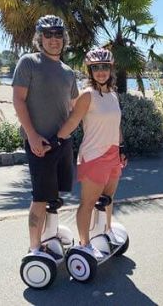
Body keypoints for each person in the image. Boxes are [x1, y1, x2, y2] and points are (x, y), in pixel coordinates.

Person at [12, 15, 78, 255]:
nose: (53, 39)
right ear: (40, 38)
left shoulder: (69, 72)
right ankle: (34, 247)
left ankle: (50, 234)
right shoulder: (29, 62)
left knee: (55, 194)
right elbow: (18, 99)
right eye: (48, 34)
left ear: (64, 39)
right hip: (39, 142)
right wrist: (31, 135)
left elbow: (74, 109)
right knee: (40, 197)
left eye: (58, 34)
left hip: (62, 142)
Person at [57, 48, 127, 259]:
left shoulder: (113, 94)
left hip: (113, 154)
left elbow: (117, 124)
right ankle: (85, 243)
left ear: (110, 69)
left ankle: (106, 231)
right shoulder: (87, 95)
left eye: (104, 67)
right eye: (96, 68)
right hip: (94, 156)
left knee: (108, 197)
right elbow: (72, 121)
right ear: (90, 71)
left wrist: (122, 147)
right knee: (88, 203)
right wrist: (56, 140)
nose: (101, 72)